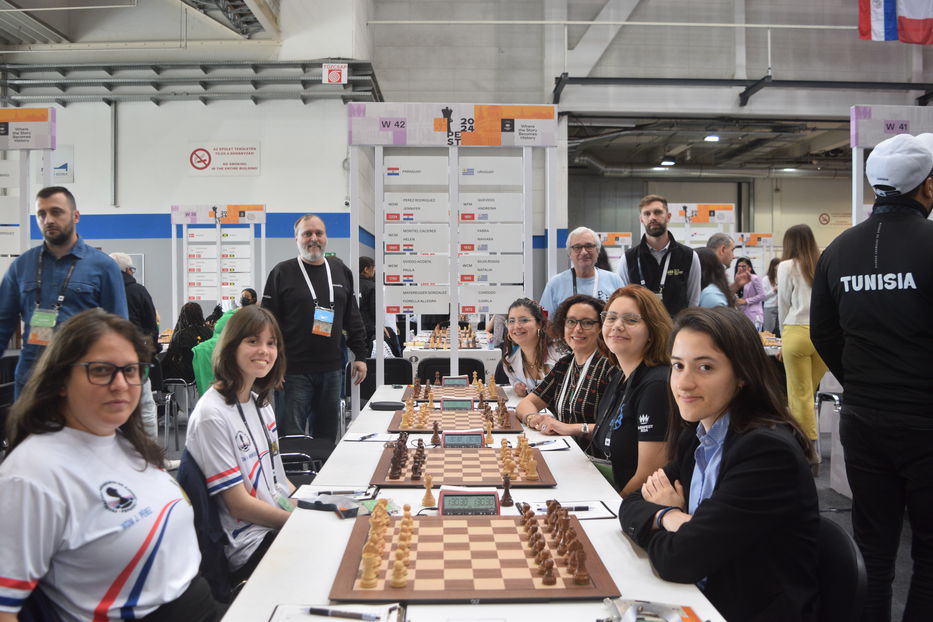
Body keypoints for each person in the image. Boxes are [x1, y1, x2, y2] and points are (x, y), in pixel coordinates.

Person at [0, 309, 225, 621]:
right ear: (61, 379)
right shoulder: (30, 475)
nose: (121, 384)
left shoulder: (124, 442)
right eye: (102, 370)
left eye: (131, 370)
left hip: (204, 604)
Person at [618, 307, 819, 622]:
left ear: (742, 374)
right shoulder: (695, 437)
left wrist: (673, 529)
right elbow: (630, 504)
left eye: (705, 367)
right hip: (698, 599)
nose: (684, 383)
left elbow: (681, 559)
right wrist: (671, 517)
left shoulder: (766, 454)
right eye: (678, 366)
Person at [811, 132, 933, 622]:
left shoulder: (839, 250)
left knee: (874, 549)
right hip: (925, 421)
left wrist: (861, 380)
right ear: (926, 188)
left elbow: (824, 332)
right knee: (927, 553)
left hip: (863, 421)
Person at [185, 305, 295, 585]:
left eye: (271, 343)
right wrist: (297, 521)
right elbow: (239, 506)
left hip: (275, 521)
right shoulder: (212, 414)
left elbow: (280, 483)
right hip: (248, 543)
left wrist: (315, 505)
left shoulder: (261, 404)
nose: (264, 351)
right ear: (232, 346)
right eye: (253, 341)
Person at [0, 186, 128, 397]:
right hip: (31, 383)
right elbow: (2, 324)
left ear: (75, 216)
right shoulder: (22, 265)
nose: (48, 219)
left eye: (56, 212)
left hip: (83, 383)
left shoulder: (103, 266)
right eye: (42, 214)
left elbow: (119, 331)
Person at [262, 214, 368, 441]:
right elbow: (268, 324)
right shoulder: (282, 272)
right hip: (292, 371)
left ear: (326, 237)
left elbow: (352, 315)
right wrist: (274, 365)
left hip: (332, 369)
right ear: (296, 239)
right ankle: (293, 477)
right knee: (291, 436)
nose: (314, 238)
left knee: (327, 436)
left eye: (319, 233)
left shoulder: (340, 270)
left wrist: (360, 354)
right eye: (307, 234)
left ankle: (322, 475)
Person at [590, 286, 671, 494]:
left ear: (652, 331)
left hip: (630, 506)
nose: (617, 326)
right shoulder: (619, 376)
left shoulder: (656, 385)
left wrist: (614, 507)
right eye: (611, 318)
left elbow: (649, 474)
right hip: (608, 491)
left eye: (631, 320)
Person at [515, 295, 614, 446]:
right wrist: (533, 418)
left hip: (598, 462)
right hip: (568, 452)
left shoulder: (610, 366)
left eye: (587, 323)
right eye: (571, 322)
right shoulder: (565, 364)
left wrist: (569, 428)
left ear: (601, 327)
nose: (578, 329)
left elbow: (615, 429)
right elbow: (525, 404)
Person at [777, 224, 826, 463]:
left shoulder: (786, 266)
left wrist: (781, 338)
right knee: (808, 393)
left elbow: (783, 304)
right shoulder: (823, 262)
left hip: (795, 332)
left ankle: (810, 451)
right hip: (822, 335)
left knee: (800, 396)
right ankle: (811, 448)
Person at [618, 195, 700, 316]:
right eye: (647, 214)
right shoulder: (628, 259)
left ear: (668, 217)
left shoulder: (689, 256)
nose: (652, 218)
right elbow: (622, 300)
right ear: (641, 219)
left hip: (676, 331)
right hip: (641, 331)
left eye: (657, 212)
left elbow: (693, 301)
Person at [110, 251, 161, 441]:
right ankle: (152, 456)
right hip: (136, 358)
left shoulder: (102, 290)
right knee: (145, 406)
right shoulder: (138, 290)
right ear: (129, 270)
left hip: (107, 358)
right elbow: (151, 325)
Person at [539, 227, 622, 316]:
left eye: (589, 246)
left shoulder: (614, 281)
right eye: (577, 247)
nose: (584, 252)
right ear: (569, 253)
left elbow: (624, 314)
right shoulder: (555, 284)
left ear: (598, 251)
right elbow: (546, 322)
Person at [499, 298, 561, 397]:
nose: (516, 326)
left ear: (539, 324)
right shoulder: (509, 361)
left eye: (524, 320)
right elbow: (514, 381)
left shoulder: (559, 354)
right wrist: (517, 386)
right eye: (511, 321)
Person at [163, 302, 215, 384]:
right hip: (207, 371)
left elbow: (170, 355)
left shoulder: (181, 335)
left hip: (188, 374)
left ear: (184, 317)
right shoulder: (210, 333)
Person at [734, 257, 766, 330]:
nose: (740, 268)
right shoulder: (737, 278)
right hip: (741, 313)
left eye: (743, 266)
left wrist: (747, 301)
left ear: (750, 268)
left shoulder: (754, 278)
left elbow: (762, 295)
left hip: (753, 314)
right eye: (738, 266)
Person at [762, 257, 781, 334]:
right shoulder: (766, 279)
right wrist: (774, 290)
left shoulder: (780, 277)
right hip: (769, 307)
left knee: (778, 332)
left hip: (780, 308)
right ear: (773, 267)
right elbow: (763, 297)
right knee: (768, 332)